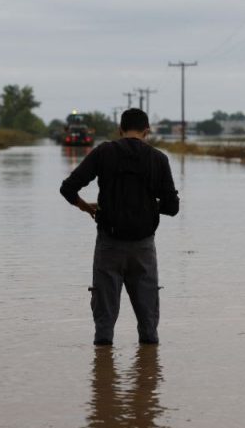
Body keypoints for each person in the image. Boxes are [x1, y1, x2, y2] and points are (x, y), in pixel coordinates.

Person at [60, 108, 179, 346]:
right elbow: (172, 207)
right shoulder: (158, 159)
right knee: (148, 326)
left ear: (119, 130)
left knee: (103, 329)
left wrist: (86, 207)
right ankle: (147, 375)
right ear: (147, 131)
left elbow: (68, 188)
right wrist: (149, 205)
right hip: (143, 248)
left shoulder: (104, 152)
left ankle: (103, 377)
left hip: (108, 245)